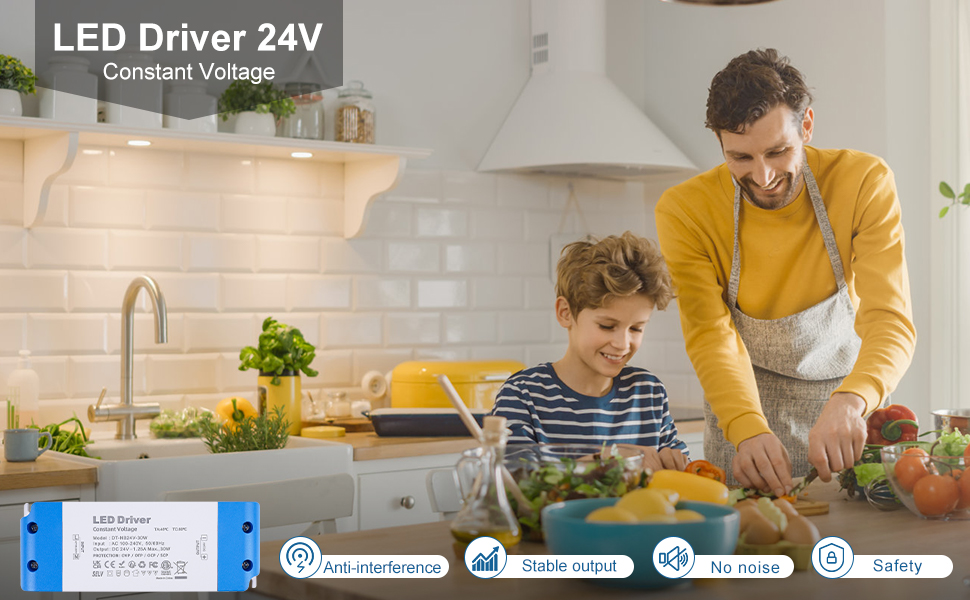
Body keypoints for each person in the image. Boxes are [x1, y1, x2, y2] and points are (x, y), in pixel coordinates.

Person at [655, 48, 916, 496]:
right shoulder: (685, 210)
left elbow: (889, 319)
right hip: (744, 416)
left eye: (778, 151)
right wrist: (746, 427)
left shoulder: (863, 181)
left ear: (807, 126)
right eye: (740, 158)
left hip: (847, 408)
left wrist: (854, 400)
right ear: (720, 144)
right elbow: (710, 333)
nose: (763, 176)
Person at [490, 231, 689, 472]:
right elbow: (513, 482)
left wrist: (679, 465)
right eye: (607, 326)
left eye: (636, 328)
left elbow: (678, 472)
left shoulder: (649, 393)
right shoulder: (523, 395)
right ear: (565, 313)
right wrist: (607, 460)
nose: (622, 344)